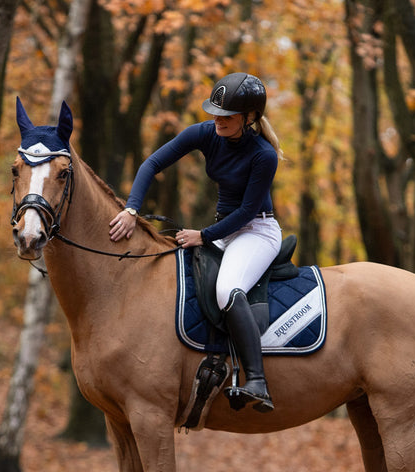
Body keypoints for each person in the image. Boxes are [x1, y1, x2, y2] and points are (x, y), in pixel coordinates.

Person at [109, 73, 284, 413]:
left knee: (227, 289)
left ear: (249, 117)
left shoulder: (264, 155)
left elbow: (247, 211)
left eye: (227, 116)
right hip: (224, 230)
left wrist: (202, 235)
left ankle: (257, 381)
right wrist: (131, 209)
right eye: (215, 112)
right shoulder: (204, 133)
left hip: (256, 231)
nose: (218, 120)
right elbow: (152, 163)